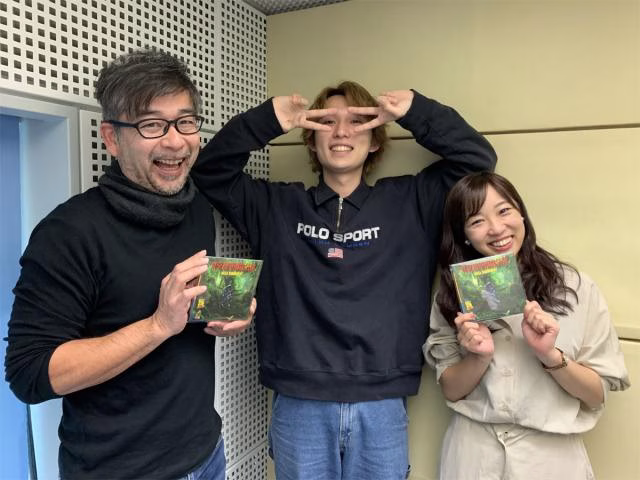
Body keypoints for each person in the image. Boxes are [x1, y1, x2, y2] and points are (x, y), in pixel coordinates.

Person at [191, 81, 497, 479]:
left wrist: (415, 110)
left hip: (382, 402)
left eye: (356, 121)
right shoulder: (276, 206)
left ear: (375, 140)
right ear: (311, 140)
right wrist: (268, 119)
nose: (341, 132)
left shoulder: (412, 202)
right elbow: (210, 171)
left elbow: (477, 160)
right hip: (299, 399)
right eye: (327, 123)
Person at [4, 50, 254, 480]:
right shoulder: (68, 232)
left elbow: (187, 305)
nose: (175, 141)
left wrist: (228, 309)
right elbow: (29, 374)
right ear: (112, 138)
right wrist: (157, 325)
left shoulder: (194, 207)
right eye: (151, 125)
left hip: (206, 453)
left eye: (185, 121)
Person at [424, 171, 630, 480]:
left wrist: (550, 356)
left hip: (550, 457)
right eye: (477, 221)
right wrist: (479, 357)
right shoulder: (454, 294)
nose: (496, 228)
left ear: (521, 213)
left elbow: (596, 394)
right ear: (464, 234)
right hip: (474, 454)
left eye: (504, 211)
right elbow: (451, 390)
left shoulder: (575, 288)